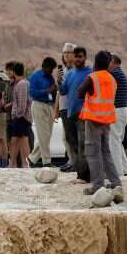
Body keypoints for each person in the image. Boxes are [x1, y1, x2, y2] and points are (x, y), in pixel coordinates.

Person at [76, 50, 122, 199]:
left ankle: (98, 185)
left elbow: (79, 93)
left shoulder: (92, 78)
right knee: (106, 152)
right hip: (106, 121)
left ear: (95, 63)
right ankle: (116, 183)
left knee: (93, 153)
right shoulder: (112, 79)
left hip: (94, 121)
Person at [61, 46, 93, 181]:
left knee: (82, 144)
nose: (78, 59)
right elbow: (63, 91)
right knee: (72, 143)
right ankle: (80, 172)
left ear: (85, 57)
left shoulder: (90, 73)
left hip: (83, 114)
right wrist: (58, 81)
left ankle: (84, 175)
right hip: (70, 113)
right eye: (76, 57)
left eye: (80, 57)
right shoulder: (69, 73)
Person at [28, 57, 58, 167]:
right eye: (50, 69)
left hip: (49, 105)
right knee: (43, 135)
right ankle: (47, 161)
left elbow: (53, 93)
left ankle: (32, 158)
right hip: (38, 105)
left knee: (47, 135)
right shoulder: (35, 77)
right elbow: (32, 93)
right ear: (45, 67)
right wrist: (46, 91)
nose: (51, 71)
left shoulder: (50, 78)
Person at [8, 63, 32, 168]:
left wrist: (17, 115)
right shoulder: (22, 83)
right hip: (21, 117)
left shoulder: (22, 84)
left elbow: (22, 102)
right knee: (16, 140)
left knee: (22, 140)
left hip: (21, 117)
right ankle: (14, 163)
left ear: (14, 71)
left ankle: (24, 163)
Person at [57, 43, 76, 172]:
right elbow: (59, 92)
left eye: (68, 52)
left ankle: (75, 162)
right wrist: (55, 110)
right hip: (63, 107)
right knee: (66, 137)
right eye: (64, 53)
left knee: (72, 137)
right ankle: (72, 160)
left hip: (73, 108)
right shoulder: (63, 71)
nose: (66, 55)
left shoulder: (76, 70)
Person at [109, 54, 127, 177]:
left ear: (113, 62)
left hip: (118, 110)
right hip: (123, 110)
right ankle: (125, 168)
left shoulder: (114, 74)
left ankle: (118, 171)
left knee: (114, 141)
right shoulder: (120, 73)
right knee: (118, 140)